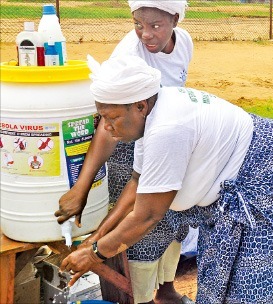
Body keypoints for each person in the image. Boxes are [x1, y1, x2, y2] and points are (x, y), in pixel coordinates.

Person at [60, 55, 273, 304]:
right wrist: (95, 239)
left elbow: (147, 216)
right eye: (102, 118)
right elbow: (137, 183)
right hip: (248, 166)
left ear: (140, 106)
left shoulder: (168, 128)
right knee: (222, 264)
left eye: (112, 118)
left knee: (254, 275)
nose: (106, 127)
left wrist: (94, 254)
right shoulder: (152, 115)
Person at [55, 1, 194, 303]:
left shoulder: (184, 42)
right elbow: (109, 127)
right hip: (128, 135)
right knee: (137, 226)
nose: (145, 34)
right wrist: (82, 187)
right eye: (137, 24)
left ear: (175, 18)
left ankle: (166, 290)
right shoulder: (130, 54)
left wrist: (93, 243)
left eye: (155, 25)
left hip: (166, 131)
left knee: (174, 216)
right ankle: (137, 297)